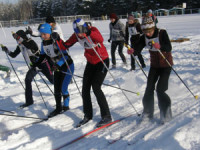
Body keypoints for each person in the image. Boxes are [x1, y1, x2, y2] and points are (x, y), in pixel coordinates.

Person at [62, 18, 112, 127]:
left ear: (85, 27)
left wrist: (88, 32)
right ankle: (88, 115)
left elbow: (100, 39)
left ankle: (107, 116)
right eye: (77, 32)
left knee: (96, 87)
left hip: (102, 60)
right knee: (85, 89)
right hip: (91, 63)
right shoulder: (76, 35)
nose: (79, 35)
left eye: (80, 32)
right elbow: (66, 45)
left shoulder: (92, 30)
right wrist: (57, 40)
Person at [130, 16, 173, 123]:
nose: (147, 34)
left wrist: (161, 46)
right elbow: (137, 49)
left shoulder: (162, 33)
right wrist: (132, 51)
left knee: (160, 90)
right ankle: (148, 113)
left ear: (153, 28)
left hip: (166, 65)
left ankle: (166, 113)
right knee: (149, 88)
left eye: (149, 31)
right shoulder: (144, 36)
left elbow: (169, 47)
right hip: (154, 66)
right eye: (145, 32)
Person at [1, 30, 54, 108]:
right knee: (27, 80)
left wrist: (20, 40)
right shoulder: (20, 45)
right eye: (16, 39)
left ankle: (63, 92)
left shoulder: (30, 42)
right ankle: (29, 101)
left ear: (22, 37)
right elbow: (13, 55)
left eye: (18, 38)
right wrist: (7, 51)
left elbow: (29, 46)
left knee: (52, 80)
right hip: (34, 66)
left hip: (42, 63)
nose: (17, 40)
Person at [32, 23, 74, 117]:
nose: (42, 36)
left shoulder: (56, 41)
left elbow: (65, 56)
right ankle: (58, 108)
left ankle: (66, 106)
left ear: (49, 33)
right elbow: (43, 55)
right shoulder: (43, 43)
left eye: (44, 34)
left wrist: (58, 65)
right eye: (41, 34)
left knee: (63, 88)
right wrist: (36, 63)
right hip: (57, 67)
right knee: (56, 89)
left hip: (67, 65)